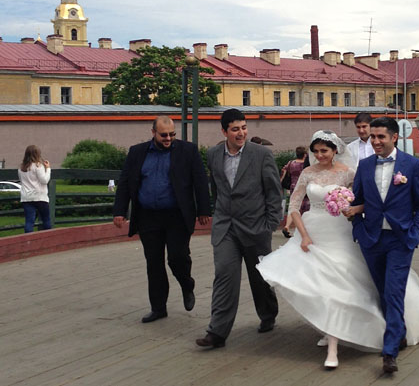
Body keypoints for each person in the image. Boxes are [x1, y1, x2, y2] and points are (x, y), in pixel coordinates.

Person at [257, 129, 419, 372]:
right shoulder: (307, 173)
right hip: (314, 231)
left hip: (343, 233)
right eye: (316, 151)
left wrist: (351, 209)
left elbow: (368, 201)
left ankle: (378, 340)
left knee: (351, 285)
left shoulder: (349, 173)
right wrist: (302, 234)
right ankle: (330, 327)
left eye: (324, 150)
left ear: (335, 151)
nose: (319, 155)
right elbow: (294, 205)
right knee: (319, 284)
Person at [348, 117, 419, 374]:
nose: (375, 141)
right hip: (372, 240)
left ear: (394, 137)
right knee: (382, 292)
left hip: (399, 240)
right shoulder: (364, 165)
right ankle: (400, 333)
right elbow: (357, 201)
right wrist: (358, 228)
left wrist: (414, 234)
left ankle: (389, 352)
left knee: (394, 292)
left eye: (381, 136)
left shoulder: (412, 165)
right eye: (373, 136)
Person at [196, 109, 281, 349]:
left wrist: (270, 224)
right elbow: (217, 188)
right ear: (224, 131)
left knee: (259, 277)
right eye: (235, 129)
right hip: (226, 228)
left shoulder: (261, 154)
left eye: (243, 127)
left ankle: (268, 314)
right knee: (224, 275)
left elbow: (274, 192)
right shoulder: (213, 154)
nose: (241, 133)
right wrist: (218, 214)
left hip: (257, 227)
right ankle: (217, 332)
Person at [113, 116, 211, 323]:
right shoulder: (137, 153)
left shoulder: (188, 151)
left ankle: (187, 284)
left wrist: (204, 210)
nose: (168, 138)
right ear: (153, 133)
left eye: (172, 134)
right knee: (154, 263)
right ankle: (158, 308)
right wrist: (119, 211)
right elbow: (125, 182)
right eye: (164, 135)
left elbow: (200, 181)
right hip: (148, 216)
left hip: (177, 215)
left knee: (177, 257)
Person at [18, 145, 52, 233]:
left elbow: (22, 181)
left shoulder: (21, 167)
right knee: (46, 220)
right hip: (39, 196)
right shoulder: (38, 166)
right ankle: (48, 240)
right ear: (37, 154)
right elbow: (44, 180)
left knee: (29, 221)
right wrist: (48, 169)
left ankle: (28, 241)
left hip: (26, 197)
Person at [281, 146, 308, 237]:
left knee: (293, 207)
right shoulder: (306, 164)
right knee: (305, 207)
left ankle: (287, 226)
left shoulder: (291, 163)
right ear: (304, 154)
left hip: (293, 186)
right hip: (305, 186)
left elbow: (284, 170)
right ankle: (302, 227)